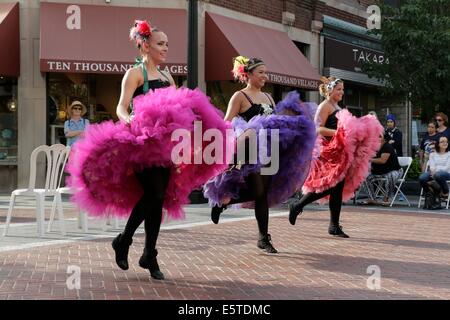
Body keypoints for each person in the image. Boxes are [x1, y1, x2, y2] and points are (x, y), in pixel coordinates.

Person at [66, 20, 230, 280]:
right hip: (140, 143)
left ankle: (149, 254)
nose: (165, 48)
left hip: (165, 148)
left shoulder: (167, 77)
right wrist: (128, 119)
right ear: (145, 45)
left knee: (159, 198)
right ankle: (125, 240)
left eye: (167, 44)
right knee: (154, 193)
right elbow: (120, 107)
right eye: (160, 44)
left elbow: (181, 112)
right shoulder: (135, 74)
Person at [203, 56, 316, 253]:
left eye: (265, 72)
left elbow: (274, 121)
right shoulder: (239, 96)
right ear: (249, 74)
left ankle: (254, 230)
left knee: (263, 193)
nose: (265, 76)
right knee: (258, 192)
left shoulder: (269, 97)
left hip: (270, 149)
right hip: (251, 149)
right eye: (261, 72)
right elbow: (227, 122)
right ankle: (254, 230)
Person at [288, 76, 383, 238]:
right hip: (328, 151)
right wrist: (339, 133)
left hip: (340, 151)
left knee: (337, 189)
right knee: (329, 185)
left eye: (343, 89)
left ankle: (334, 226)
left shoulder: (337, 106)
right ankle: (297, 205)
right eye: (339, 89)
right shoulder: (324, 106)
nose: (342, 92)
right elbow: (317, 129)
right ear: (330, 90)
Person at [365, 133, 403, 206]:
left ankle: (387, 198)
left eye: (379, 137)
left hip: (395, 171)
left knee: (390, 176)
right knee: (366, 177)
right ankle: (372, 198)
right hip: (380, 172)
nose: (377, 138)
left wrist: (369, 159)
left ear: (384, 139)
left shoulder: (387, 147)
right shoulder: (374, 148)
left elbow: (382, 160)